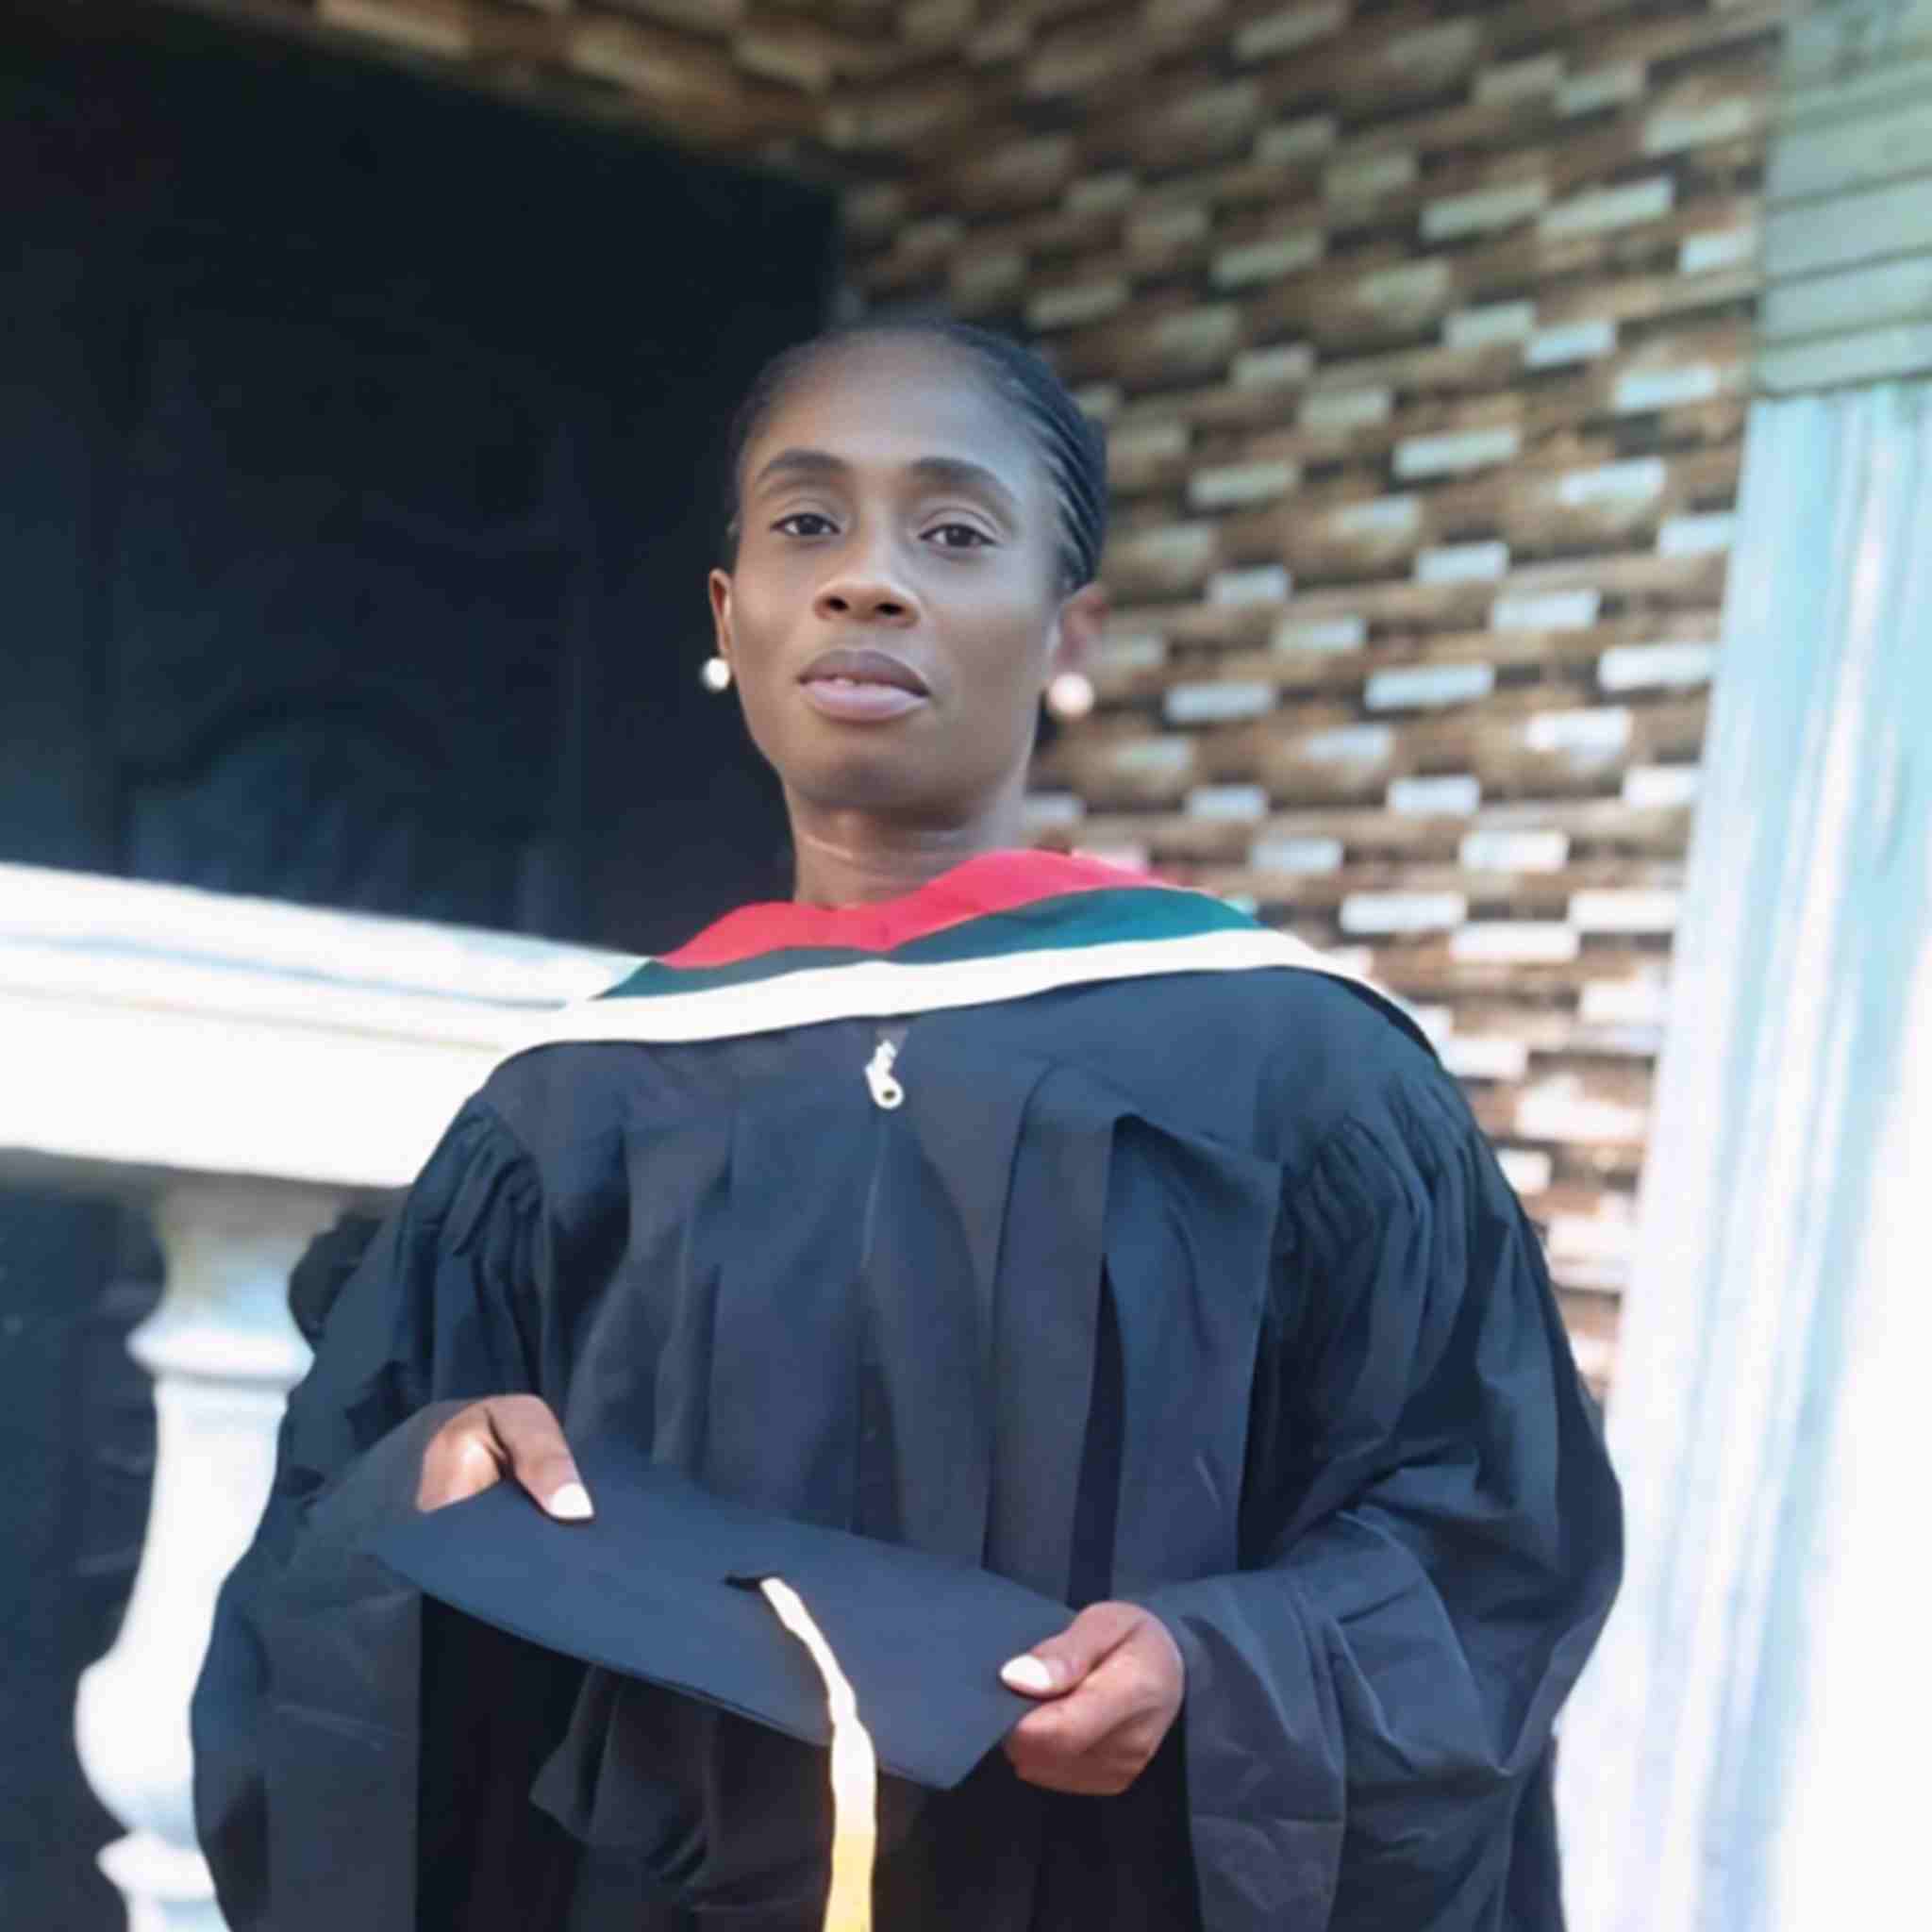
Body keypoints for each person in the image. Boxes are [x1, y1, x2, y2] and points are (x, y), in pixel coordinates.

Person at [192, 319, 1622, 1932]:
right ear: (730, 615)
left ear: (1070, 634)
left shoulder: (1290, 1070)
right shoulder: (572, 1111)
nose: (869, 579)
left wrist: (1216, 1673)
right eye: (808, 524)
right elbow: (336, 1558)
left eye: (954, 533)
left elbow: (1481, 1539)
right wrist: (424, 1482)